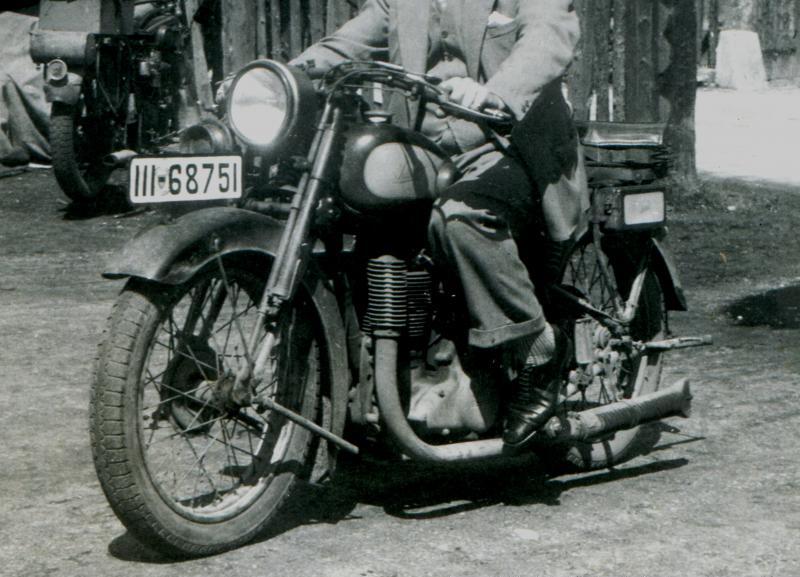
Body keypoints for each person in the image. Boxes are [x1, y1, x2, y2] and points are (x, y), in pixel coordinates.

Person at [292, 0, 589, 447]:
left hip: (508, 145)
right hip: (427, 151)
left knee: (460, 218)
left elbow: (548, 37)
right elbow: (345, 44)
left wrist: (496, 91)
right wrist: (283, 76)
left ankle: (537, 347)